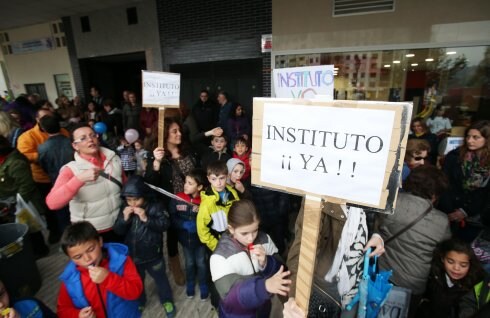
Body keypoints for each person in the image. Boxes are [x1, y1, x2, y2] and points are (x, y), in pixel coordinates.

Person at [283, 197, 386, 318]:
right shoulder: (319, 196)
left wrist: (377, 235)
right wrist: (294, 298)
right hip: (323, 288)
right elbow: (302, 247)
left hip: (353, 286)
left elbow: (374, 212)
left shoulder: (366, 191)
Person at [377, 166, 452, 316]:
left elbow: (376, 230)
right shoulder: (442, 221)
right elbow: (444, 247)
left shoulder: (390, 203)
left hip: (382, 276)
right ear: (435, 193)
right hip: (413, 286)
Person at [210, 199, 291, 317]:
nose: (251, 238)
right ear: (231, 229)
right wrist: (264, 286)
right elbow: (230, 299)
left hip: (264, 310)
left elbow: (283, 271)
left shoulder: (264, 239)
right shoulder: (220, 256)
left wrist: (267, 262)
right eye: (244, 233)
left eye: (255, 230)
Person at [46, 124, 125, 243]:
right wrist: (79, 180)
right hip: (92, 232)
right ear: (75, 146)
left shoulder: (114, 158)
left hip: (119, 224)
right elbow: (52, 203)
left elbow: (124, 183)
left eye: (93, 135)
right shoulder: (71, 170)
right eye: (83, 138)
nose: (90, 139)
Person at [113, 176, 175, 317]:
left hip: (153, 255)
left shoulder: (156, 206)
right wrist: (124, 219)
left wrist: (146, 218)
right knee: (137, 282)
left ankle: (167, 300)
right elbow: (118, 231)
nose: (133, 203)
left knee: (161, 280)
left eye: (136, 199)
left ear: (144, 196)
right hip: (133, 257)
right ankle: (141, 301)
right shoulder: (125, 208)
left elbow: (165, 225)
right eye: (129, 200)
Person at [145, 117, 197, 286]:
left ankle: (197, 264)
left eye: (179, 130)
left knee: (196, 232)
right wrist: (157, 163)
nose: (179, 134)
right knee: (173, 237)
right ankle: (175, 266)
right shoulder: (157, 156)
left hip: (194, 201)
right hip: (173, 205)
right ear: (164, 134)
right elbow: (150, 183)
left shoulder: (188, 150)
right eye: (174, 131)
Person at [57, 221, 143, 318]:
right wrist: (77, 315)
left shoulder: (122, 261)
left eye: (90, 249)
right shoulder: (69, 278)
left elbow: (136, 291)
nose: (87, 259)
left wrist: (108, 278)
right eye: (78, 257)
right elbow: (62, 310)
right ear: (70, 258)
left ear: (100, 242)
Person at [17, 108, 70, 243]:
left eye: (50, 117)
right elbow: (23, 155)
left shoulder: (63, 133)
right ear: (38, 120)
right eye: (45, 117)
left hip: (66, 177)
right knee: (50, 210)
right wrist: (41, 156)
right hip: (43, 179)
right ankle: (55, 233)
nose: (49, 120)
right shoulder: (27, 136)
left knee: (66, 209)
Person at [438, 120, 490, 242]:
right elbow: (444, 183)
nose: (469, 140)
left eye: (476, 137)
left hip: (475, 218)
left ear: (487, 139)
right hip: (448, 212)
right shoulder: (454, 156)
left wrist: (465, 211)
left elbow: (486, 194)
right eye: (468, 136)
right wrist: (450, 211)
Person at [0, 136, 49, 258]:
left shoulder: (16, 162)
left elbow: (26, 185)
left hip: (22, 202)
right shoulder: (4, 161)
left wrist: (16, 205)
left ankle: (40, 251)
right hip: (10, 201)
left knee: (31, 228)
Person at [417, 238, 485, 318]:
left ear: (470, 264)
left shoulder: (477, 283)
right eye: (450, 262)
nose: (456, 268)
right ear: (442, 258)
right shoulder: (433, 272)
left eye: (463, 265)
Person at [169, 168, 209, 300]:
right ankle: (190, 283)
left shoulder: (206, 201)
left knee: (201, 263)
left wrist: (200, 215)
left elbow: (211, 221)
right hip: (185, 241)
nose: (185, 185)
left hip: (201, 241)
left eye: (190, 183)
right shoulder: (178, 198)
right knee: (189, 263)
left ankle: (203, 284)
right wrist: (183, 224)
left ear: (200, 187)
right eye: (186, 182)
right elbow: (172, 217)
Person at [38, 115, 73, 234]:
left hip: (56, 182)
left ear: (43, 129)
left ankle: (68, 240)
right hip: (76, 180)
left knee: (62, 214)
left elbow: (44, 167)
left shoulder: (42, 148)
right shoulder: (71, 142)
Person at [197, 161, 240, 252]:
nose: (218, 183)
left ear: (227, 176)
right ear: (208, 179)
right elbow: (202, 230)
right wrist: (216, 246)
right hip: (219, 242)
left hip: (235, 238)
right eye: (214, 179)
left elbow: (239, 215)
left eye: (222, 178)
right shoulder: (207, 203)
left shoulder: (233, 193)